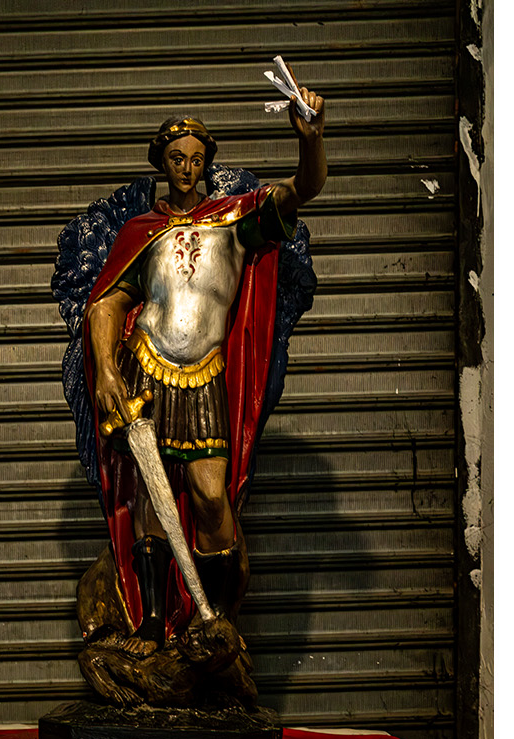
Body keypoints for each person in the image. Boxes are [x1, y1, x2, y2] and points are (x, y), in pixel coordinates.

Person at [75, 83, 328, 660]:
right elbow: (107, 303)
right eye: (176, 158)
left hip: (204, 374)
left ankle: (217, 619)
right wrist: (107, 370)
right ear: (162, 164)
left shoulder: (235, 221)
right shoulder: (143, 233)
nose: (186, 169)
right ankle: (152, 625)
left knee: (210, 497)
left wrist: (311, 140)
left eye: (195, 158)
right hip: (145, 365)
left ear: (207, 163)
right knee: (151, 497)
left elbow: (304, 188)